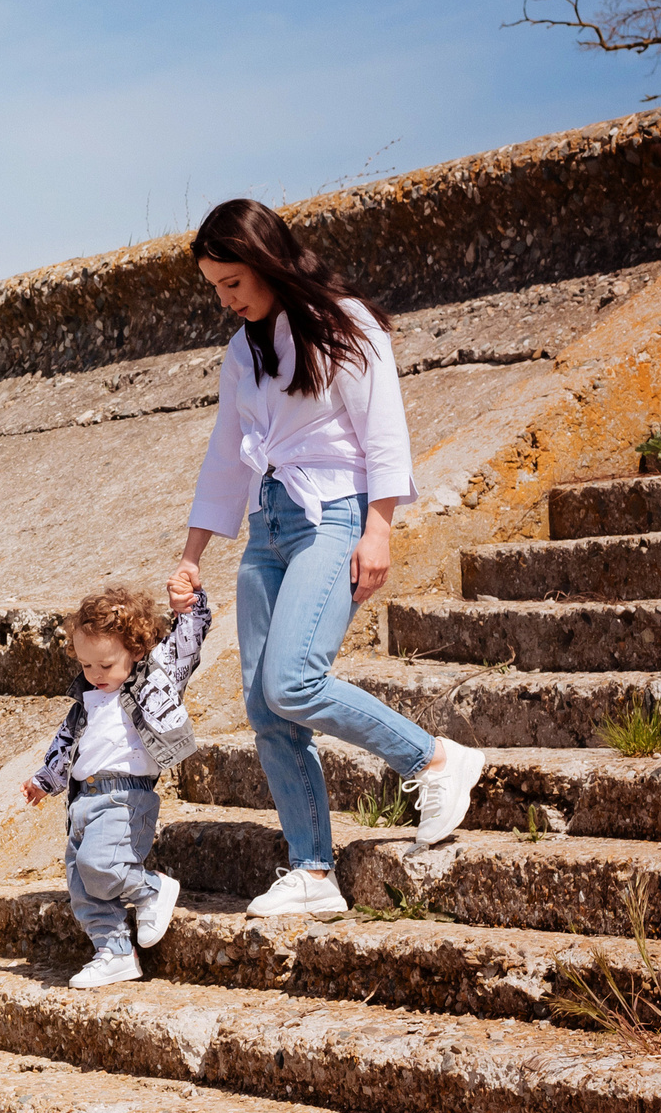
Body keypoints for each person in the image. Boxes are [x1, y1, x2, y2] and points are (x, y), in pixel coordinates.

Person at [170, 198, 483, 919]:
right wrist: (192, 557)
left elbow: (385, 431)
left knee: (293, 679)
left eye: (233, 284)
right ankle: (313, 872)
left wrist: (379, 530)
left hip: (332, 518)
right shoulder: (241, 351)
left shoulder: (344, 323)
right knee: (263, 703)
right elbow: (225, 458)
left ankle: (433, 758)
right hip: (267, 525)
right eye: (216, 288)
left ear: (266, 259)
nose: (226, 301)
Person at [23, 584, 212, 988]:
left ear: (137, 651)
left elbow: (186, 643)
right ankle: (114, 952)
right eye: (86, 665)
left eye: (105, 665)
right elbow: (66, 746)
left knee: (102, 866)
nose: (94, 675)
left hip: (125, 796)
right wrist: (44, 780)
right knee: (82, 885)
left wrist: (190, 602)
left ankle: (151, 890)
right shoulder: (87, 702)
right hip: (82, 802)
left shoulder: (154, 682)